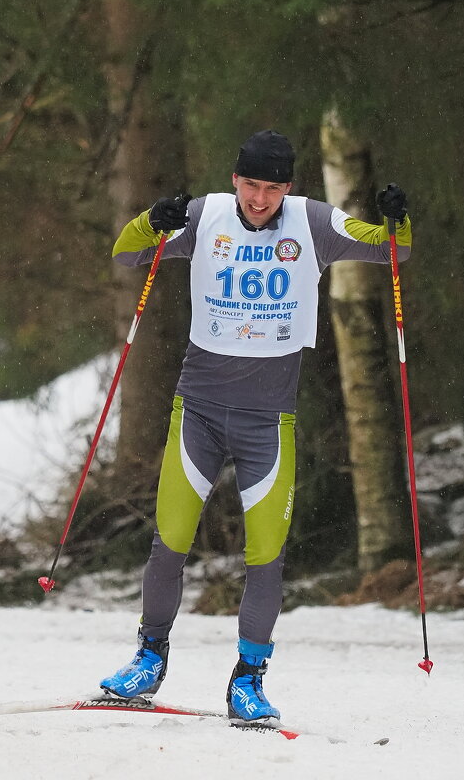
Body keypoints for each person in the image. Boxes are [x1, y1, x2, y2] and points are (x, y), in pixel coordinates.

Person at [99, 130, 411, 723]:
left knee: (266, 556)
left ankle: (248, 679)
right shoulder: (204, 216)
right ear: (235, 179)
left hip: (267, 420)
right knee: (170, 542)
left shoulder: (312, 223)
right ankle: (148, 657)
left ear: (288, 188)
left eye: (273, 188)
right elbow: (126, 252)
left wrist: (398, 220)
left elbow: (391, 250)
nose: (260, 199)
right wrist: (152, 219)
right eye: (251, 185)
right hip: (198, 411)